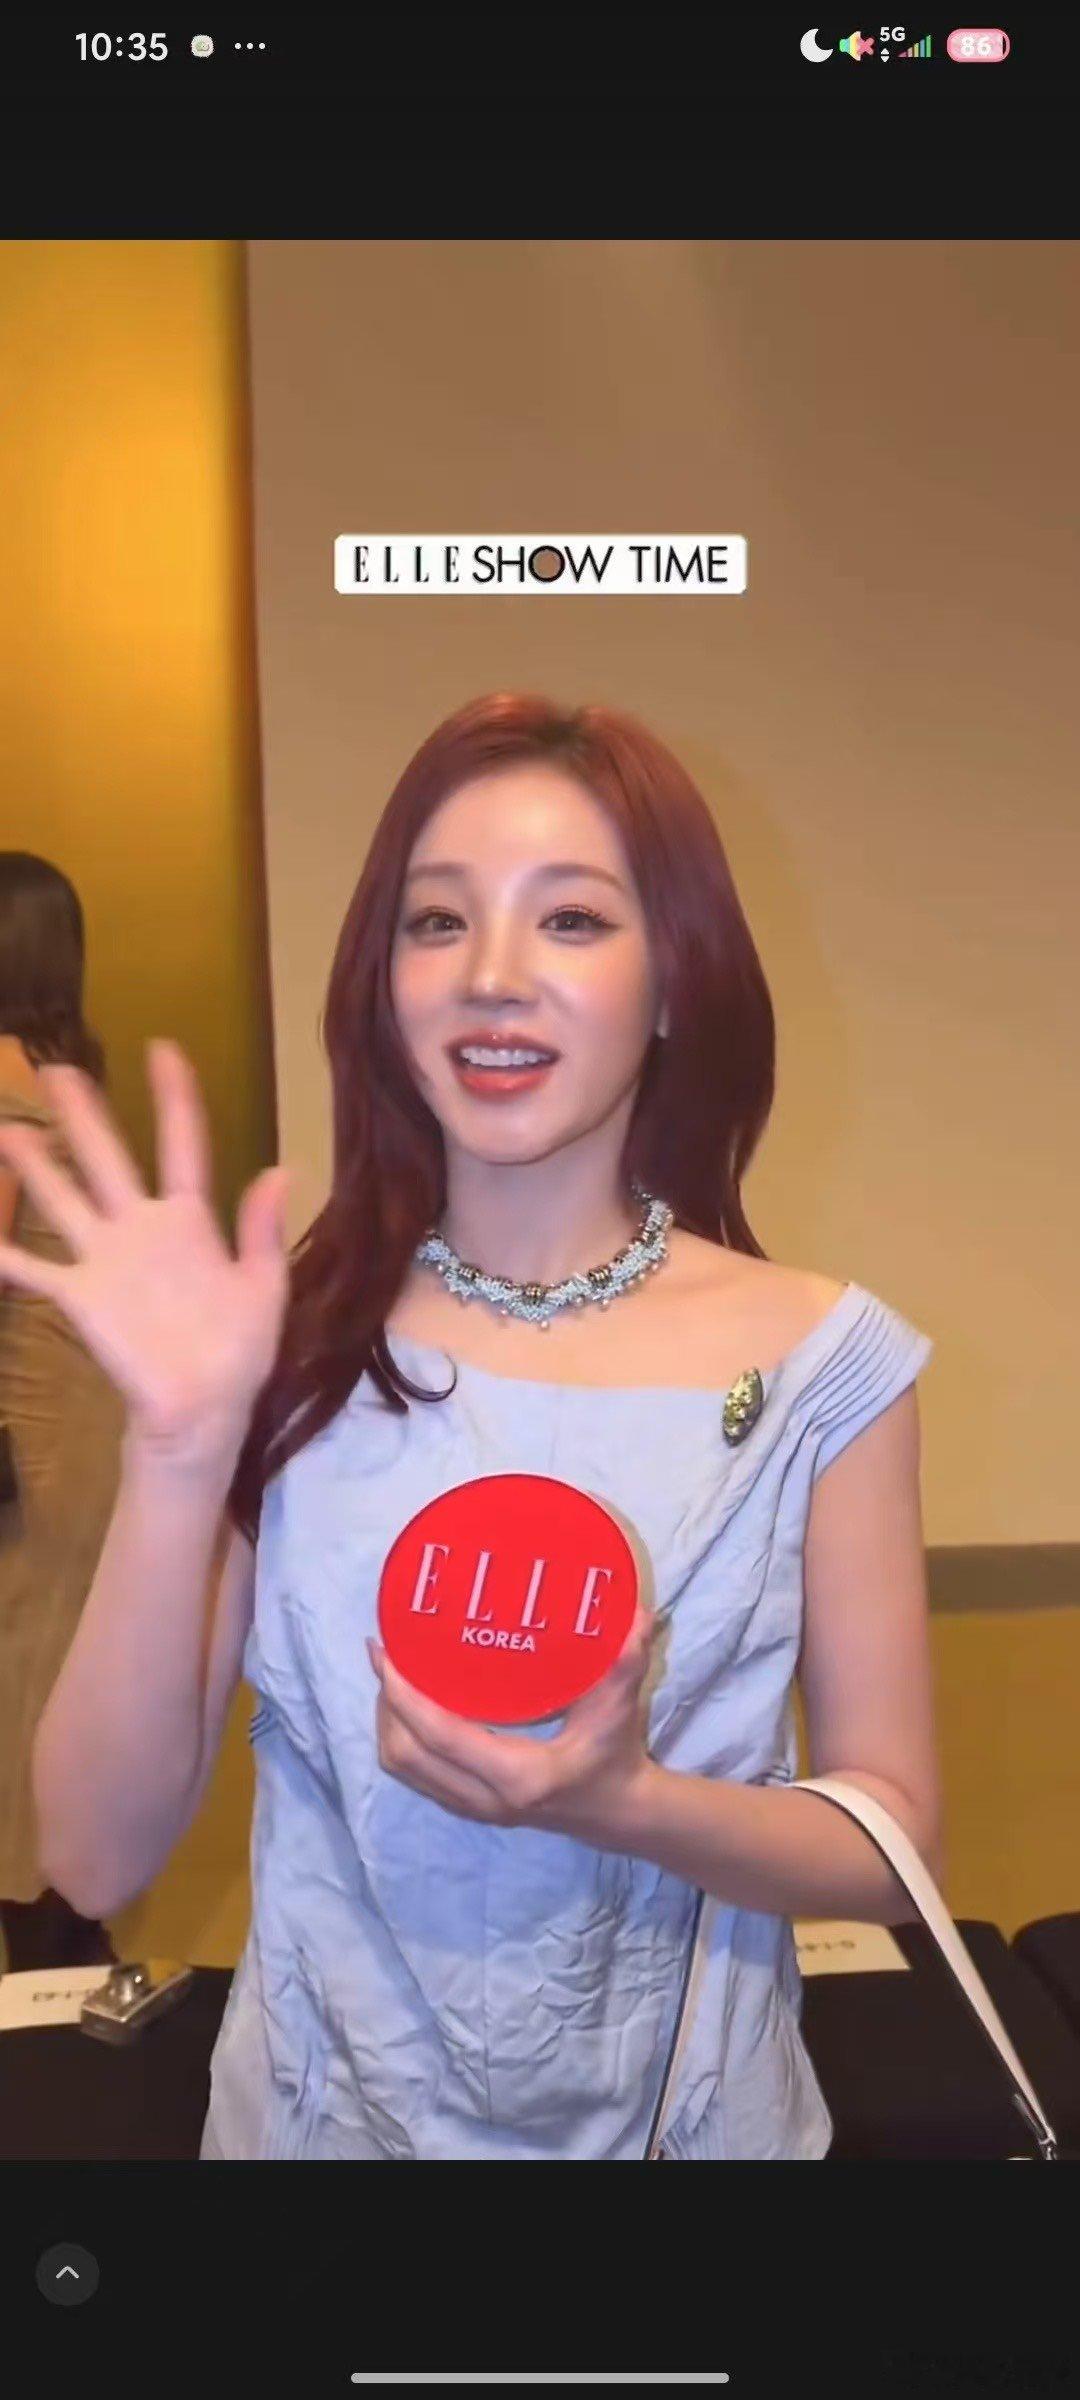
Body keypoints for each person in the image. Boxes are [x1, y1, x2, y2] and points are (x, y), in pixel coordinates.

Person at [0, 692, 941, 2157]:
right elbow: (94, 1853)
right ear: (385, 983)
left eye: (571, 919)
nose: (493, 978)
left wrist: (628, 1802)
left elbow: (891, 1842)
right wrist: (179, 1450)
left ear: (674, 980)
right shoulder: (287, 1340)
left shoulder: (826, 1364)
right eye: (437, 922)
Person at [0, 855, 123, 1972]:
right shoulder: (62, 1078)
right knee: (52, 1665)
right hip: (82, 1425)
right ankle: (68, 1914)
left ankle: (41, 1926)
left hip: (26, 1431)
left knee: (21, 1672)